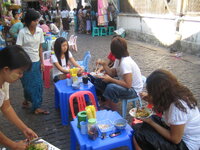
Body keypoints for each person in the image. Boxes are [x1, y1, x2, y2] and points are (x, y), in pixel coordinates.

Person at [133, 69, 200, 150]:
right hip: (176, 131)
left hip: (186, 144)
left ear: (158, 93)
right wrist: (150, 99)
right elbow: (163, 105)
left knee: (138, 136)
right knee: (138, 127)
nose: (150, 94)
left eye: (152, 92)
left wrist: (151, 122)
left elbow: (175, 139)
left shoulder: (177, 107)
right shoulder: (175, 92)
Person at [0, 45, 38, 149]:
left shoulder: (4, 80)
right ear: (6, 69)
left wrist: (24, 128)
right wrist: (14, 145)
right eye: (19, 72)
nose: (21, 76)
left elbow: (6, 107)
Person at [94, 37, 143, 110]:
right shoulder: (118, 59)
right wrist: (104, 64)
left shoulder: (125, 63)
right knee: (99, 80)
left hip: (134, 91)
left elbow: (128, 85)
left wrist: (111, 80)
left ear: (114, 51)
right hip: (127, 86)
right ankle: (106, 102)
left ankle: (113, 109)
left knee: (111, 87)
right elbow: (112, 73)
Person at [16, 9, 49, 115]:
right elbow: (18, 49)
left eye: (37, 20)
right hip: (25, 64)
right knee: (27, 84)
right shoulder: (22, 32)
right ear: (29, 21)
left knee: (38, 85)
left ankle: (36, 106)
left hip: (36, 62)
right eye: (35, 20)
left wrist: (42, 62)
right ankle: (26, 100)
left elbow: (40, 48)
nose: (37, 22)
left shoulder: (39, 31)